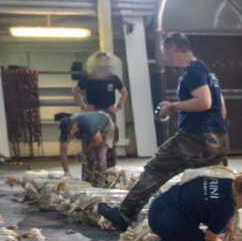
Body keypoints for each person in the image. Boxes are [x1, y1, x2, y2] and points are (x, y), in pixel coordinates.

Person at [98, 32, 228, 230]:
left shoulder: (192, 72)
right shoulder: (207, 71)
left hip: (195, 137)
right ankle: (224, 225)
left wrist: (172, 106)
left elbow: (204, 101)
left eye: (165, 52)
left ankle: (125, 215)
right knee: (212, 182)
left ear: (175, 48)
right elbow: (221, 108)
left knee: (156, 168)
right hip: (218, 138)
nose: (164, 58)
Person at [73, 52, 127, 168]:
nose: (105, 64)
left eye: (107, 62)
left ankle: (109, 169)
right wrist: (84, 105)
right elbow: (75, 91)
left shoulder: (113, 78)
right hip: (92, 113)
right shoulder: (88, 77)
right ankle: (89, 169)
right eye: (103, 61)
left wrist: (118, 106)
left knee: (109, 143)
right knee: (90, 140)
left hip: (108, 113)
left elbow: (124, 92)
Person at [58, 111, 114, 187]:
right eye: (66, 135)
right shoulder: (65, 130)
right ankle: (87, 181)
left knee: (100, 155)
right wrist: (66, 172)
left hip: (105, 124)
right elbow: (63, 152)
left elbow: (98, 140)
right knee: (88, 157)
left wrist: (83, 152)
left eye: (69, 134)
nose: (68, 137)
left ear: (74, 126)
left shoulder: (88, 124)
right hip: (87, 130)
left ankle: (101, 182)